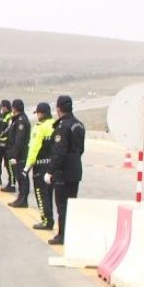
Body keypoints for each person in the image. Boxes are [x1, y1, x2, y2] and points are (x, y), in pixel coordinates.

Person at [45, 95, 86, 245]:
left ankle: (62, 235)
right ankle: (69, 233)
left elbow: (59, 152)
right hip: (75, 169)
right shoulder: (79, 125)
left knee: (62, 205)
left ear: (58, 109)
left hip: (63, 172)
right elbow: (80, 149)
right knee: (71, 204)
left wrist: (50, 171)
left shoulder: (63, 127)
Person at [25, 102, 56, 229]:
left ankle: (46, 220)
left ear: (41, 113)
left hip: (40, 166)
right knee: (49, 194)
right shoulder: (55, 125)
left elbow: (34, 148)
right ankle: (50, 219)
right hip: (53, 166)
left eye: (37, 113)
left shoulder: (40, 127)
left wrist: (27, 167)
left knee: (41, 194)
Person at [6, 99, 31, 208]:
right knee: (20, 177)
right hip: (18, 153)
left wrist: (14, 155)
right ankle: (21, 198)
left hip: (21, 155)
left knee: (22, 177)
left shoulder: (21, 121)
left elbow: (19, 140)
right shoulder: (17, 120)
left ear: (14, 108)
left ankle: (23, 199)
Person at [0, 99, 16, 193]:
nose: (1, 109)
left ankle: (12, 184)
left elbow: (8, 131)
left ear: (5, 107)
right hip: (4, 144)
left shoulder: (9, 117)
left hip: (8, 145)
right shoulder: (4, 116)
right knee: (7, 165)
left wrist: (1, 138)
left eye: (2, 107)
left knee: (10, 166)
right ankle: (10, 182)